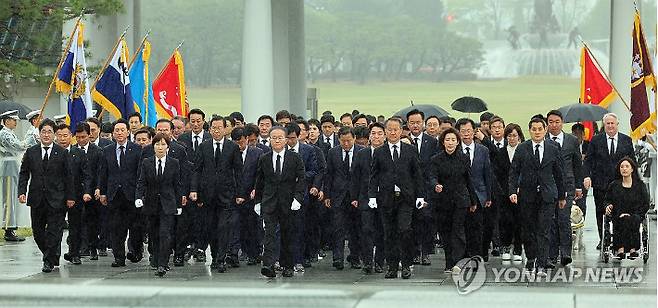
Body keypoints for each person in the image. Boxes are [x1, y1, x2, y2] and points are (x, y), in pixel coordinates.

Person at [368, 118, 425, 279]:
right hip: (386, 198)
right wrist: (372, 195)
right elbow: (374, 176)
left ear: (401, 131)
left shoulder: (410, 150)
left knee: (404, 230)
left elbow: (417, 174)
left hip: (406, 198)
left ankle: (406, 264)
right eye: (390, 130)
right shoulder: (379, 152)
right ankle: (392, 267)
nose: (393, 133)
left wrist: (420, 195)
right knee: (389, 233)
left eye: (396, 130)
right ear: (385, 132)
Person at [509, 117, 566, 277]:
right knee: (528, 230)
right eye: (534, 129)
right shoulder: (522, 148)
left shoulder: (554, 148)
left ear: (545, 130)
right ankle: (531, 258)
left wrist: (562, 196)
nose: (537, 132)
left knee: (544, 230)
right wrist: (512, 191)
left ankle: (541, 263)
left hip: (548, 196)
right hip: (527, 195)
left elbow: (559, 173)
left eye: (540, 129)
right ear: (530, 131)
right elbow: (514, 171)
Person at [189, 116, 245, 273]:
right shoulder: (203, 146)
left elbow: (239, 172)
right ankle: (214, 257)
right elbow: (197, 170)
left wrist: (240, 193)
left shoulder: (232, 147)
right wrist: (194, 190)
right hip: (207, 195)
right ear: (210, 129)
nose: (216, 130)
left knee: (223, 227)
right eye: (213, 128)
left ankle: (221, 259)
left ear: (225, 129)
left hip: (227, 194)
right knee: (211, 228)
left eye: (219, 127)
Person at [18, 118, 75, 272]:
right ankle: (51, 254)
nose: (46, 134)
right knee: (37, 232)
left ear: (54, 134)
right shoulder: (31, 152)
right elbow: (24, 174)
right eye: (43, 131)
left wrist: (70, 197)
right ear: (39, 133)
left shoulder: (62, 153)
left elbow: (68, 176)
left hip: (57, 199)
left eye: (49, 132)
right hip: (37, 198)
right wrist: (22, 192)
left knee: (54, 231)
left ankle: (48, 261)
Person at [253, 126, 306, 278]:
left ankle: (287, 265)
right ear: (269, 140)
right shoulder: (264, 158)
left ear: (286, 140)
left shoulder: (294, 158)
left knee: (287, 234)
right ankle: (268, 265)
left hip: (288, 202)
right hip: (269, 202)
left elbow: (301, 179)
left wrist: (298, 198)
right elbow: (260, 182)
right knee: (269, 234)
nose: (277, 140)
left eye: (280, 138)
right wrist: (258, 201)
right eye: (274, 138)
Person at [428, 127, 478, 273]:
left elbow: (469, 180)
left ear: (458, 142)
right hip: (443, 201)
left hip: (461, 200)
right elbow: (431, 176)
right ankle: (449, 262)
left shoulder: (463, 158)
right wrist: (435, 185)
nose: (450, 143)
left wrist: (473, 201)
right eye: (447, 140)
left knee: (458, 230)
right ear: (443, 142)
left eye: (453, 140)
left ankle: (458, 261)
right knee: (445, 232)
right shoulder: (436, 159)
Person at [135, 133, 185, 277]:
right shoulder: (146, 162)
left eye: (163, 144)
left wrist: (179, 204)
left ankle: (163, 263)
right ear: (153, 146)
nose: (160, 147)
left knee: (165, 233)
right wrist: (138, 197)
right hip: (151, 203)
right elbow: (141, 182)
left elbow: (177, 184)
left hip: (168, 204)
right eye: (157, 144)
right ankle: (156, 259)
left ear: (168, 147)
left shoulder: (174, 163)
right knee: (154, 234)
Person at [583, 113, 635, 249]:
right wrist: (587, 176)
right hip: (601, 184)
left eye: (613, 123)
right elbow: (588, 161)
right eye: (608, 123)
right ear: (604, 125)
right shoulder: (596, 141)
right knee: (601, 212)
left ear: (617, 124)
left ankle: (618, 241)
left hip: (620, 185)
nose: (610, 126)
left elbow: (632, 162)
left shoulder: (627, 140)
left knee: (619, 212)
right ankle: (603, 239)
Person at [98, 119, 144, 267]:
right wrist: (103, 192)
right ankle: (119, 257)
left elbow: (140, 174)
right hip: (114, 194)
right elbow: (103, 173)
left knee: (136, 227)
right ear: (113, 133)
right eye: (116, 130)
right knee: (116, 228)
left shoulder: (137, 149)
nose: (119, 133)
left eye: (122, 130)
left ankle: (135, 251)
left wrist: (140, 194)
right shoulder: (107, 150)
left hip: (131, 195)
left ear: (128, 132)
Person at [545, 110, 583, 267]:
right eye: (551, 122)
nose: (554, 125)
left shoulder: (572, 140)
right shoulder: (543, 139)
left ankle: (565, 253)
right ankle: (552, 255)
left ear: (562, 123)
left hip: (567, 186)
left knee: (563, 218)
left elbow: (577, 165)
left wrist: (578, 186)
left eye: (557, 122)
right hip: (549, 185)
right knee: (551, 221)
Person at [324, 126, 364, 270]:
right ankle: (338, 258)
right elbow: (328, 174)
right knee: (338, 228)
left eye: (349, 141)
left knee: (356, 229)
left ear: (354, 139)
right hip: (338, 195)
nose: (346, 144)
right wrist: (327, 195)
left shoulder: (361, 152)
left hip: (356, 196)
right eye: (343, 141)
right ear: (338, 139)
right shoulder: (332, 152)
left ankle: (355, 258)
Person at [351, 123, 386, 274]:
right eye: (374, 133)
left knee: (382, 230)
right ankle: (367, 261)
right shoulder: (362, 154)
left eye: (379, 133)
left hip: (384, 198)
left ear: (384, 136)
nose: (376, 136)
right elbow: (355, 177)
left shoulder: (388, 153)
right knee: (366, 229)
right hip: (365, 197)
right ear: (369, 136)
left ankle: (379, 261)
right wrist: (354, 197)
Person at [456, 118, 492, 260]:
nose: (466, 134)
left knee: (477, 227)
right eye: (463, 131)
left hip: (479, 194)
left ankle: (476, 256)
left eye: (469, 131)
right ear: (458, 133)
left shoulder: (483, 150)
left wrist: (488, 196)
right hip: (460, 195)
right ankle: (462, 256)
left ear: (474, 132)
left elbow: (487, 174)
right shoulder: (455, 149)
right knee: (462, 227)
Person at [406, 109, 439, 266]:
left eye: (418, 122)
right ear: (408, 124)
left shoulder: (432, 142)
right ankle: (413, 252)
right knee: (410, 222)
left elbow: (434, 167)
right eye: (412, 123)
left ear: (423, 123)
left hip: (426, 189)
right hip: (408, 189)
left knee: (425, 221)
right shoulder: (403, 141)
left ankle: (425, 253)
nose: (415, 125)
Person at [56, 124, 92, 266]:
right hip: (56, 195)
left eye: (66, 135)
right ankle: (54, 254)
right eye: (60, 135)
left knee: (75, 225)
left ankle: (74, 253)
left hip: (76, 196)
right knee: (56, 226)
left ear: (71, 136)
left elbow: (86, 175)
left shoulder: (79, 153)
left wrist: (87, 191)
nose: (63, 138)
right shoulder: (53, 152)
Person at [285, 123, 319, 272]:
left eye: (292, 138)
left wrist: (300, 177)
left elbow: (314, 170)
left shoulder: (308, 150)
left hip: (300, 195)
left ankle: (299, 259)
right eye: (288, 138)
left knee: (299, 228)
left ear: (298, 137)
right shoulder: (279, 150)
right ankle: (283, 260)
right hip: (282, 195)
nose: (289, 141)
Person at [604, 157, 650, 259]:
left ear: (632, 169)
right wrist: (608, 206)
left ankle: (632, 249)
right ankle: (620, 249)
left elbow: (646, 203)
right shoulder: (614, 185)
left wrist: (635, 214)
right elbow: (607, 200)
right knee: (621, 220)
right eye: (622, 167)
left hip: (635, 214)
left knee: (632, 219)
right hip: (618, 214)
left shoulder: (640, 185)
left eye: (627, 166)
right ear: (619, 170)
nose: (624, 169)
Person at [230, 127, 263, 266]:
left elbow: (259, 174)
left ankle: (253, 254)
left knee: (252, 226)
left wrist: (256, 189)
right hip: (234, 196)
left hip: (251, 196)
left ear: (247, 140)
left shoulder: (257, 153)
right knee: (234, 226)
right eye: (236, 142)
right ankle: (234, 254)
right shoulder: (229, 153)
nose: (239, 145)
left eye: (242, 142)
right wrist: (237, 194)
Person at [0, 110, 31, 241]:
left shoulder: (9, 133)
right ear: (7, 121)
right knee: (9, 198)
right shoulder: (4, 134)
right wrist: (29, 141)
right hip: (8, 167)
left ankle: (12, 227)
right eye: (14, 120)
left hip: (12, 166)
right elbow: (17, 147)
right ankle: (8, 229)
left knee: (13, 198)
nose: (16, 122)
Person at [498, 123, 525, 261]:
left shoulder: (524, 151)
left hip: (521, 193)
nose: (512, 138)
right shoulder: (501, 153)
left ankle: (518, 249)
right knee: (505, 221)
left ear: (519, 136)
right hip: (504, 194)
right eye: (509, 135)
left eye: (514, 135)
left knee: (519, 221)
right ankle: (506, 246)